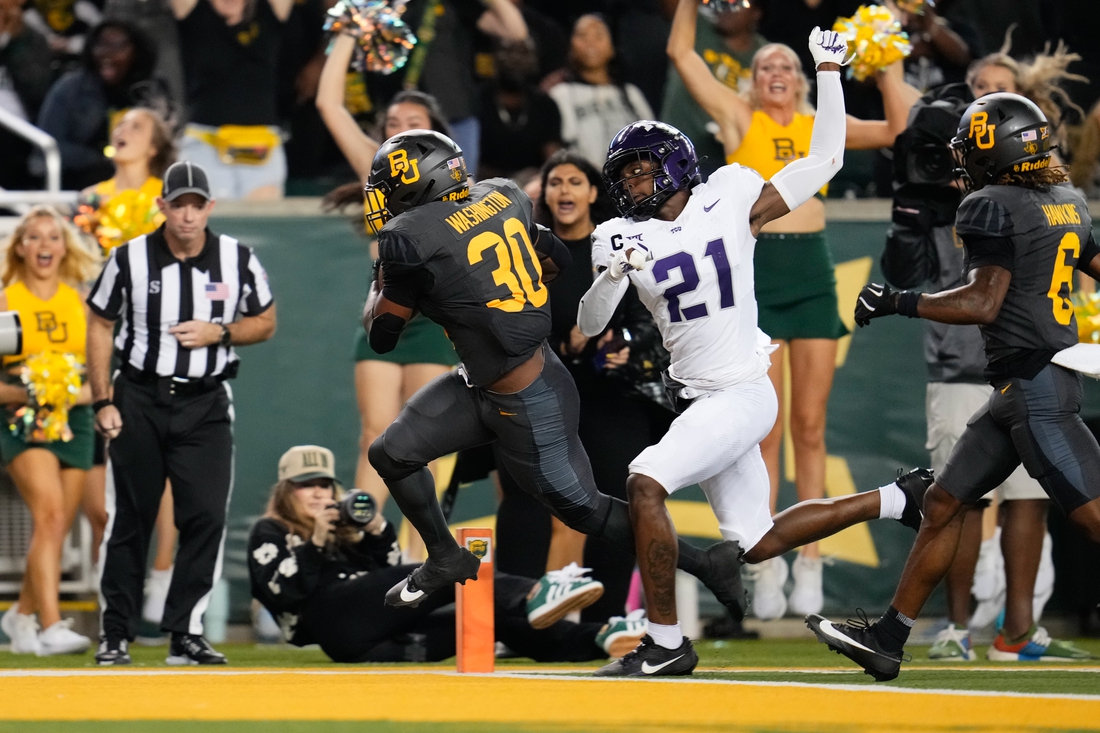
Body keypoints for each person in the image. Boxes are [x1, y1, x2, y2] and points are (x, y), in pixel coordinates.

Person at [574, 30, 929, 679]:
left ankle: (665, 642)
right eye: (623, 174)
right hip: (701, 397)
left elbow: (824, 159)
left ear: (673, 165)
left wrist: (828, 70)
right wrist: (612, 275)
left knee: (645, 481)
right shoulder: (618, 234)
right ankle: (899, 498)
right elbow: (590, 323)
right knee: (758, 541)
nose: (630, 182)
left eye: (641, 169)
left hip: (741, 390)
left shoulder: (730, 194)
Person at [361, 129, 749, 622]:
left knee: (585, 509)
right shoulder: (501, 195)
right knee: (392, 453)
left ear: (420, 181)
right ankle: (443, 557)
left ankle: (707, 564)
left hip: (529, 396)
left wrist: (384, 281)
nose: (382, 197)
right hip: (482, 382)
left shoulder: (409, 239)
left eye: (388, 185)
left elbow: (382, 334)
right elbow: (557, 259)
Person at [808, 93, 1100, 681]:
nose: (961, 157)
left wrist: (899, 301)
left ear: (997, 150)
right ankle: (888, 639)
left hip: (1036, 391)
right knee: (942, 504)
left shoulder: (991, 205)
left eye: (970, 146)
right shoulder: (1068, 201)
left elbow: (982, 302)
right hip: (1019, 391)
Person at [667, 0, 920, 619]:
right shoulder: (738, 117)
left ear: (802, 78)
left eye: (785, 64)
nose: (775, 71)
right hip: (758, 273)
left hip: (811, 269)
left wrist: (887, 62)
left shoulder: (819, 122)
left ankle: (810, 558)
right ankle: (768, 553)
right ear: (752, 82)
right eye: (765, 66)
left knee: (810, 425)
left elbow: (899, 129)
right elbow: (680, 53)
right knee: (768, 428)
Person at [87, 161, 277, 666]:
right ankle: (116, 632)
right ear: (162, 206)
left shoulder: (237, 258)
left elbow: (266, 320)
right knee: (130, 519)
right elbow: (99, 322)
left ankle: (185, 633)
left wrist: (222, 332)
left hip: (205, 401)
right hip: (139, 397)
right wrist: (102, 400)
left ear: (210, 207)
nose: (188, 215)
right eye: (179, 205)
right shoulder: (129, 258)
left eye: (197, 205)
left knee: (206, 516)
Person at [248, 444, 647, 663]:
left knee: (482, 618)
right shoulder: (271, 531)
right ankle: (531, 593)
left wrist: (375, 532)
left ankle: (600, 637)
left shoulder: (344, 527)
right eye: (306, 485)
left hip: (376, 640)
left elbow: (390, 580)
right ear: (285, 492)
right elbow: (283, 594)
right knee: (437, 572)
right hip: (331, 622)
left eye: (324, 484)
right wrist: (317, 542)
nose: (318, 493)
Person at [317, 34, 458, 559]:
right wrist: (349, 32)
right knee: (375, 435)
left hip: (435, 318)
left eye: (412, 122)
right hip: (382, 311)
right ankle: (362, 547)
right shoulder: (375, 170)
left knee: (425, 444)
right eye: (392, 122)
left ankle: (426, 556)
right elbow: (329, 104)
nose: (399, 129)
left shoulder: (454, 181)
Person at [73, 106, 179, 639]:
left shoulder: (169, 198)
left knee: (160, 463)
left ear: (156, 145)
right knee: (99, 492)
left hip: (155, 342)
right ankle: (113, 595)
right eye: (120, 124)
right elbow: (75, 271)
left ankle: (160, 579)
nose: (123, 130)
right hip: (97, 339)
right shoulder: (89, 199)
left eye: (137, 126)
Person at [0, 207, 100, 656]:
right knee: (51, 515)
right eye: (35, 237)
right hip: (21, 415)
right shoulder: (6, 302)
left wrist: (76, 395)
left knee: (54, 526)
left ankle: (20, 615)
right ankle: (52, 625)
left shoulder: (81, 301)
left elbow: (100, 370)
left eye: (53, 237)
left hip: (74, 417)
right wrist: (28, 394)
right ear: (21, 247)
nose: (45, 245)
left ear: (64, 247)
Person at [171, 0, 293, 200]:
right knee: (203, 215)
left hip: (261, 146)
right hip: (204, 145)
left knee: (264, 218)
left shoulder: (267, 14)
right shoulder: (196, 14)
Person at [36, 19, 167, 190]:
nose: (107, 54)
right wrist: (101, 159)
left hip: (142, 183)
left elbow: (165, 143)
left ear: (137, 51)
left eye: (118, 47)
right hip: (80, 181)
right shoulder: (70, 88)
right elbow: (48, 146)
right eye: (100, 45)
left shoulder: (153, 89)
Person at [548, 14, 653, 168]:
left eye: (598, 35)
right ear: (571, 46)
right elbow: (554, 148)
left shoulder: (631, 94)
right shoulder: (561, 94)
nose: (590, 43)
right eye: (582, 36)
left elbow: (652, 140)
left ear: (613, 47)